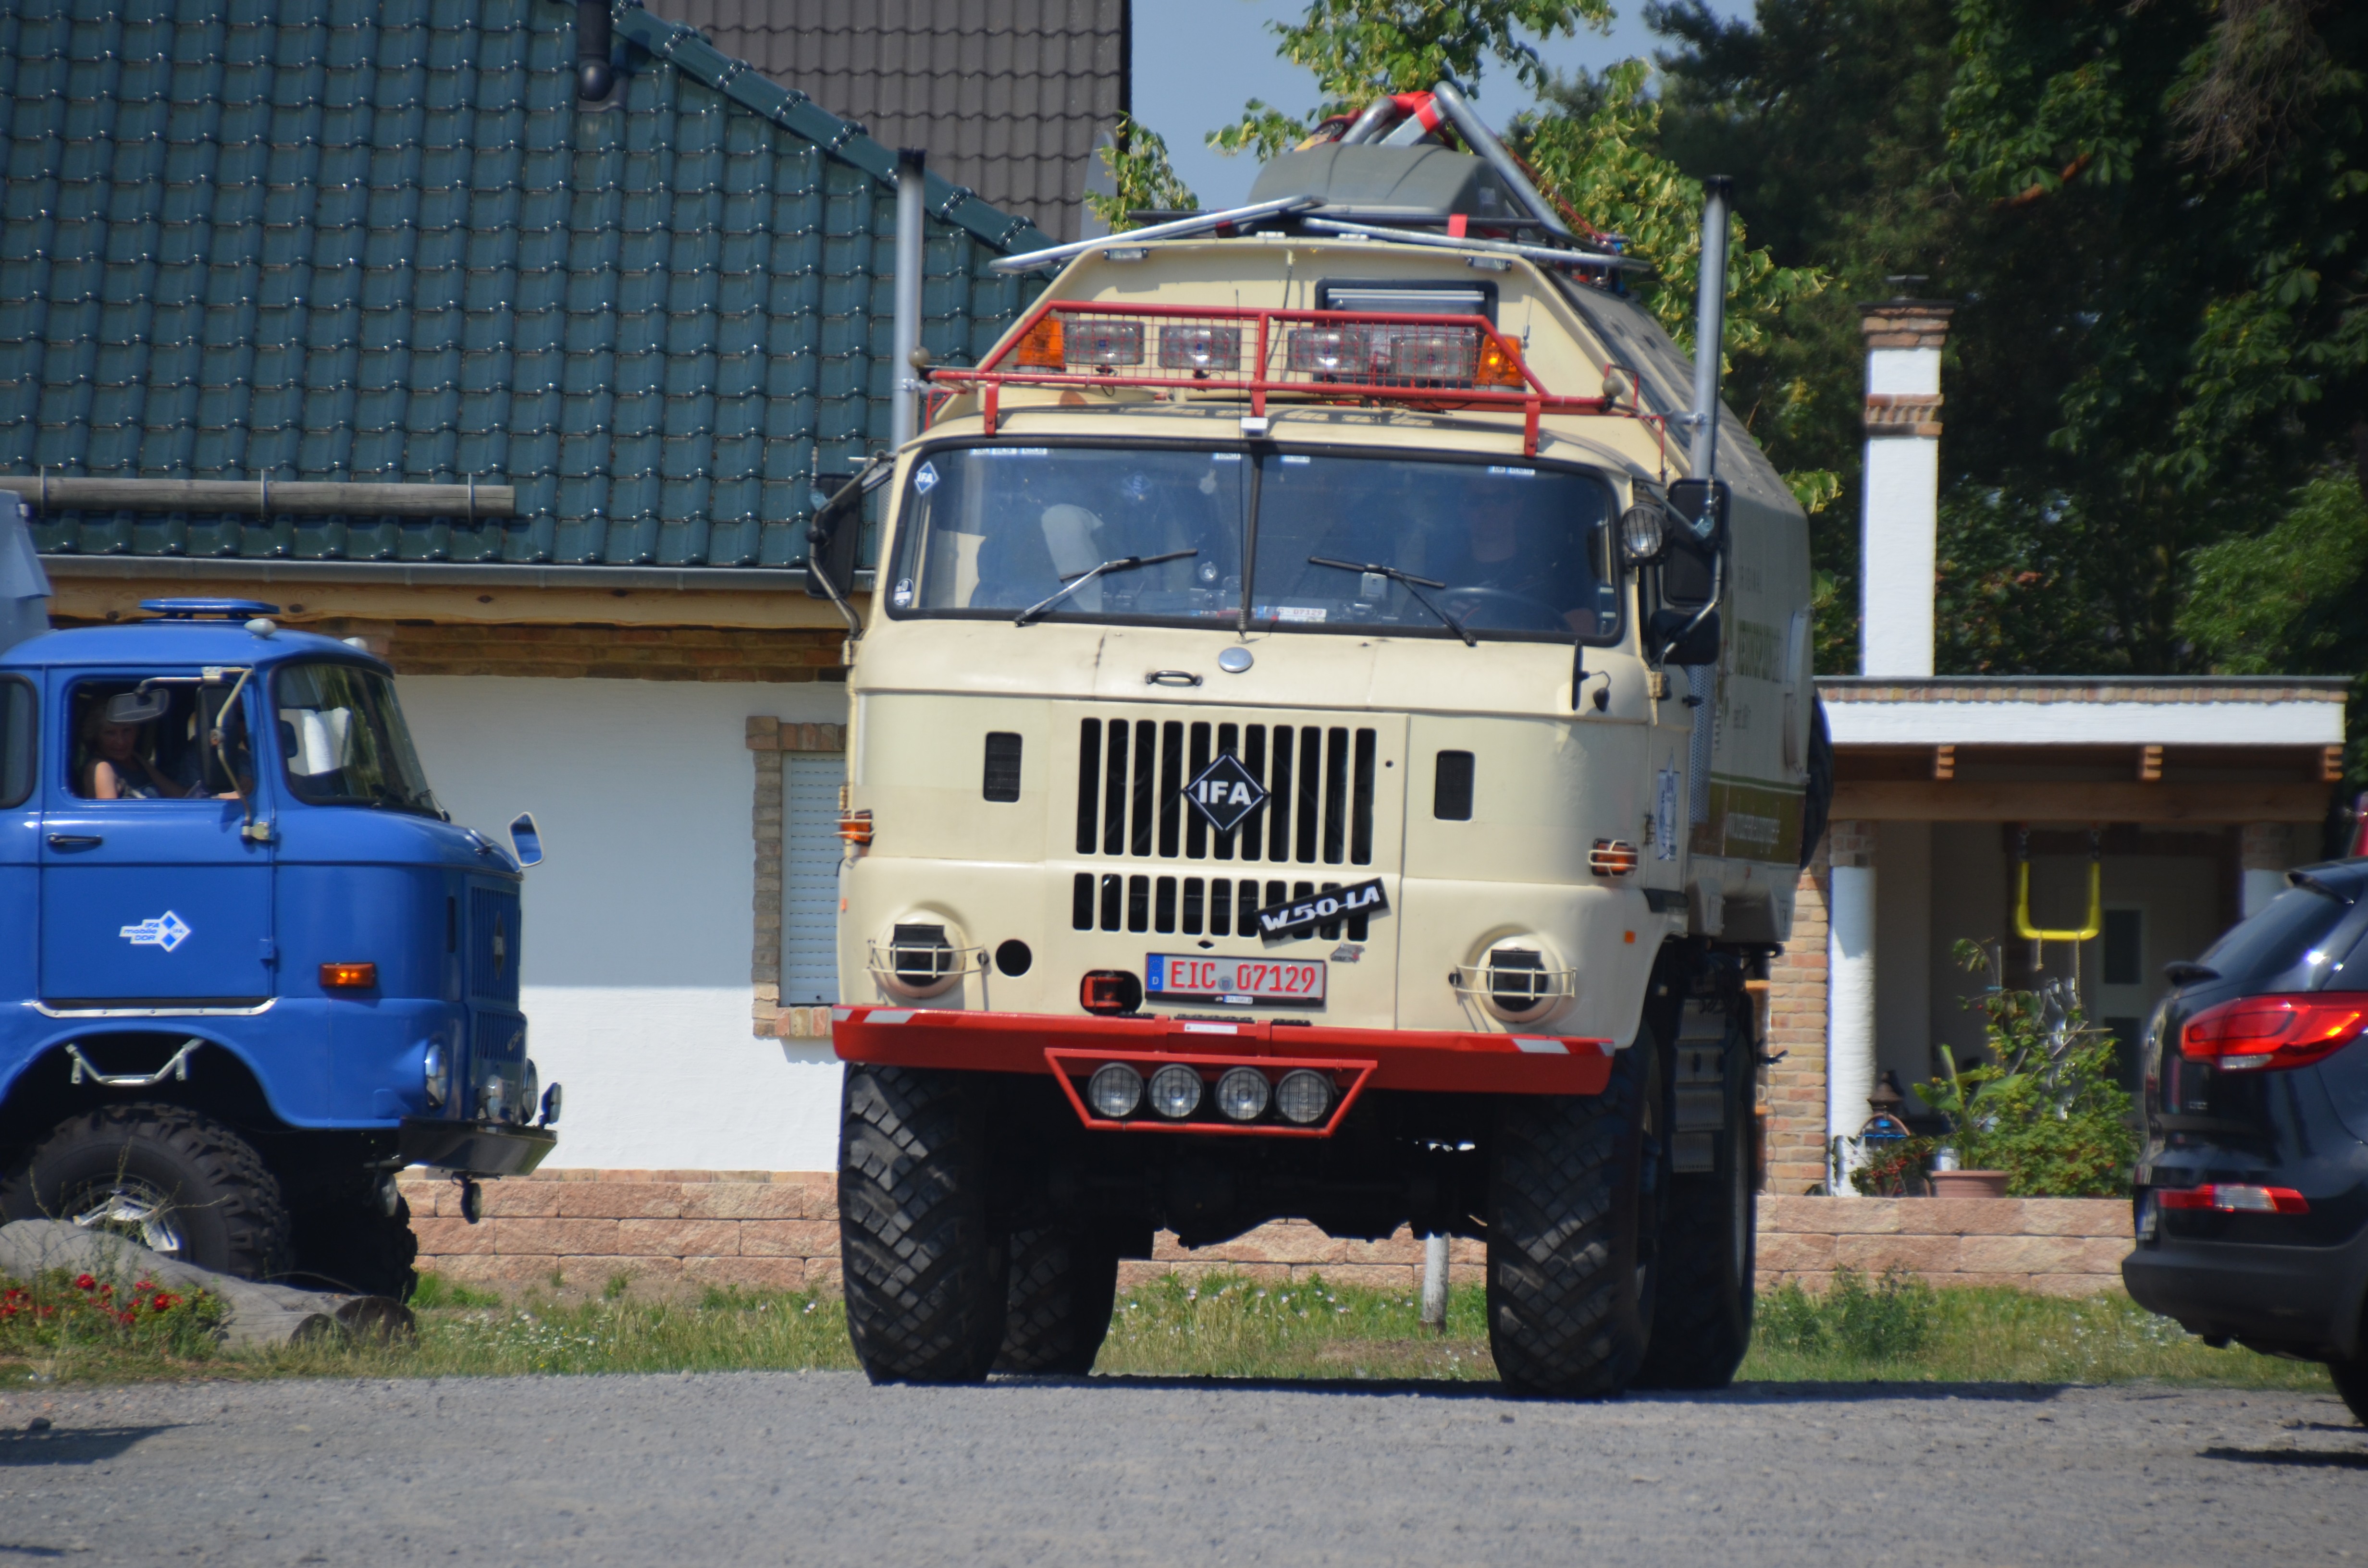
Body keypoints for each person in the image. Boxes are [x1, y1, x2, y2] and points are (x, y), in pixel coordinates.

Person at [78, 696, 190, 800]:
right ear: (96, 736)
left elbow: (178, 794)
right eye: (110, 733)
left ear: (136, 731)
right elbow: (110, 814)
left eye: (127, 731)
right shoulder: (102, 768)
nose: (121, 742)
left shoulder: (135, 758)